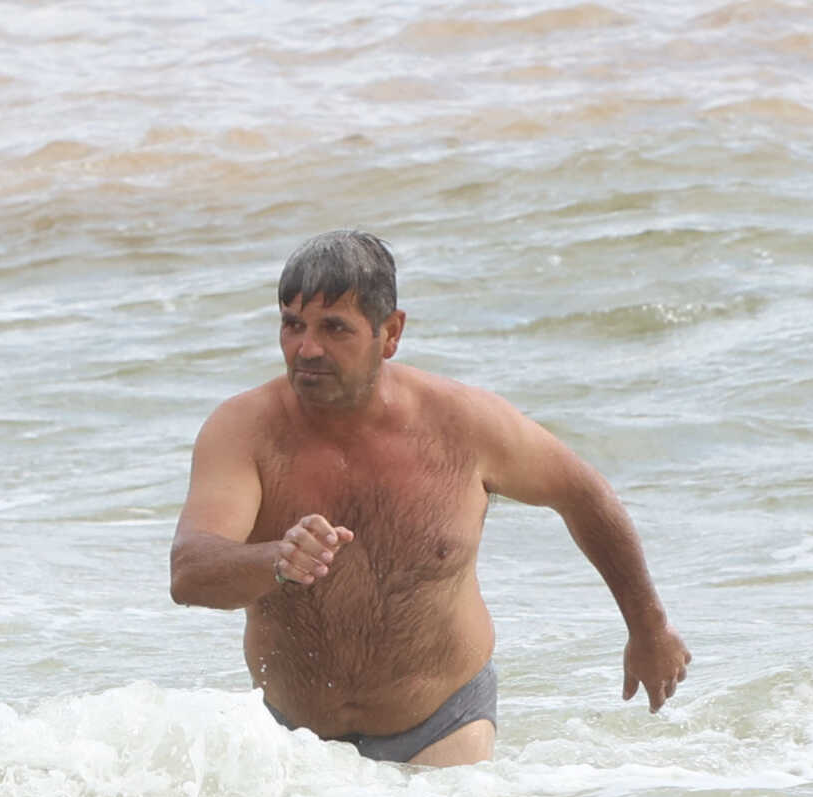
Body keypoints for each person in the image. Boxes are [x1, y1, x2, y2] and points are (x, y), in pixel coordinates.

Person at [169, 229, 688, 767]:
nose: (308, 349)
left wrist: (647, 626)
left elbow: (583, 494)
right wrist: (274, 559)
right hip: (295, 740)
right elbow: (189, 572)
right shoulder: (244, 432)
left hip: (442, 721)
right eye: (292, 325)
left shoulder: (464, 425)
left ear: (390, 333)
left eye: (335, 328)